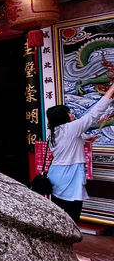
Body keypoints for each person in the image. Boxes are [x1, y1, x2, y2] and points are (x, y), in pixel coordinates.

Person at [45, 80, 114, 223]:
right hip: (68, 175)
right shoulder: (70, 128)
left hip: (56, 174)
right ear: (63, 117)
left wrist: (83, 140)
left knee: (58, 212)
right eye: (69, 112)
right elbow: (94, 114)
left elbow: (65, 146)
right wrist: (111, 90)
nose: (72, 114)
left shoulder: (54, 131)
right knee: (72, 214)